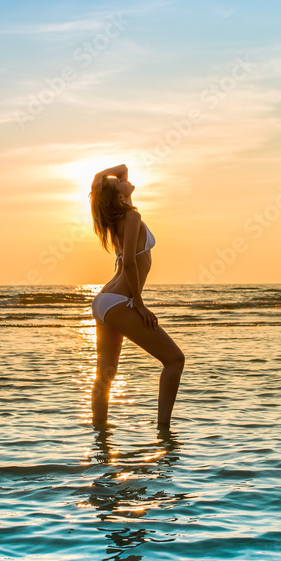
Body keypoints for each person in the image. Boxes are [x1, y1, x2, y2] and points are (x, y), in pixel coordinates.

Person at [89, 163, 185, 428]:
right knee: (175, 360)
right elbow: (130, 262)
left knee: (106, 374)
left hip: (104, 301)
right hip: (121, 300)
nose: (123, 180)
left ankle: (100, 435)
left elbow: (119, 171)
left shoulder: (120, 216)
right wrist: (140, 305)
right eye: (118, 182)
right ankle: (164, 431)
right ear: (117, 195)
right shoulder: (131, 217)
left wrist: (113, 184)